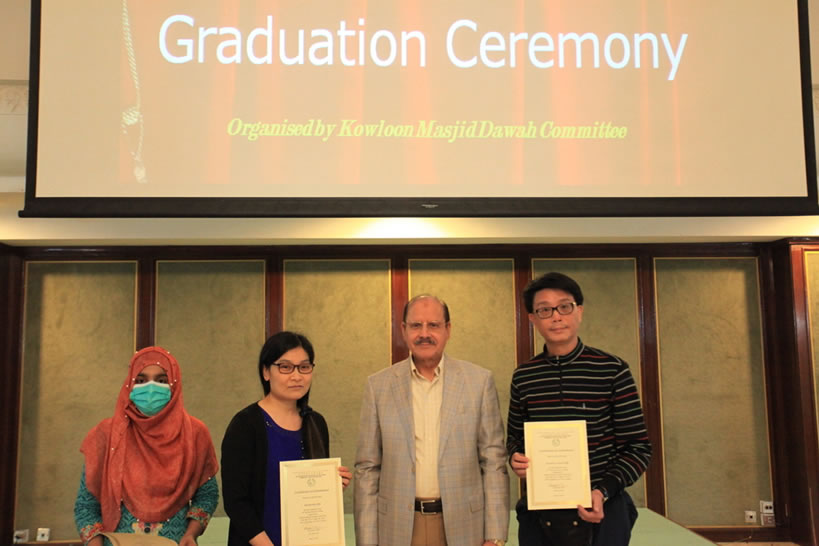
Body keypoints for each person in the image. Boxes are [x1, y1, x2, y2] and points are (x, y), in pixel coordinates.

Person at [507, 272, 652, 546]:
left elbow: (638, 448)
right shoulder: (524, 376)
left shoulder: (612, 369)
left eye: (564, 307)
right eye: (544, 310)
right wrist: (516, 457)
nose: (556, 317)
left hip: (604, 509)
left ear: (579, 311)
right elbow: (515, 437)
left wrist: (603, 490)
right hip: (541, 512)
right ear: (532, 319)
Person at [354, 294, 509, 546]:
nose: (424, 334)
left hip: (464, 527)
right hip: (397, 528)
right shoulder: (378, 386)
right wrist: (367, 540)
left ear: (448, 329)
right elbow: (367, 470)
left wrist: (495, 536)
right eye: (416, 325)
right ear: (403, 330)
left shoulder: (478, 382)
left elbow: (493, 463)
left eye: (433, 325)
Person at [74, 346, 219, 546]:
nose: (151, 388)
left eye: (161, 380)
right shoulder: (107, 435)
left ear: (174, 384)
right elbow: (86, 505)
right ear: (130, 385)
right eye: (141, 381)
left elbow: (207, 496)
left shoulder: (194, 433)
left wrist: (191, 534)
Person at [221, 331, 352, 546]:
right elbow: (236, 502)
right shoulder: (245, 425)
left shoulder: (316, 423)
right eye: (285, 367)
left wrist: (331, 485)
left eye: (304, 367)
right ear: (266, 372)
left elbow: (310, 490)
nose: (297, 376)